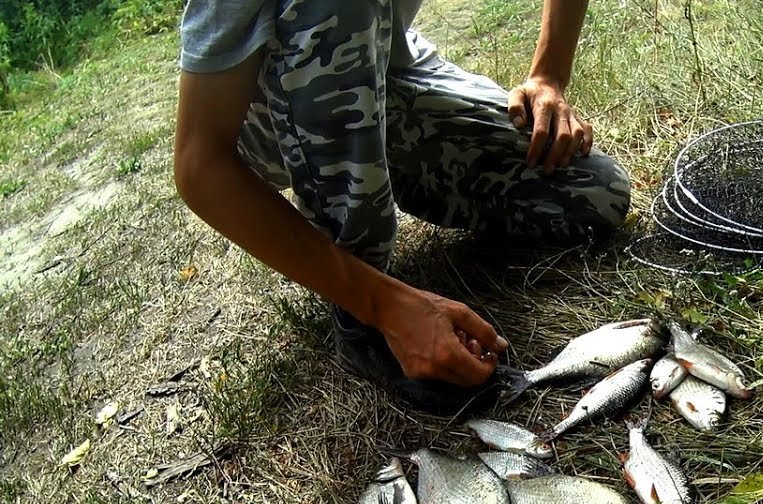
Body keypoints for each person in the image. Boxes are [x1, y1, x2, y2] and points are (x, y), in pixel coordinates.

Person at [172, 0, 631, 411]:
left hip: (388, 65)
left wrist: (548, 74)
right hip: (265, 112)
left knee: (592, 194)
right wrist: (383, 305)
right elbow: (200, 164)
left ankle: (378, 163)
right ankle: (362, 309)